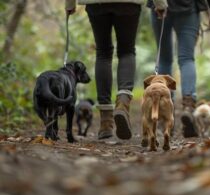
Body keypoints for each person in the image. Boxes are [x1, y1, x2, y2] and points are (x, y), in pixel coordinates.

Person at [65, 0, 168, 140]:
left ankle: (106, 122)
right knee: (127, 51)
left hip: (97, 4)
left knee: (103, 53)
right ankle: (123, 104)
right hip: (128, 4)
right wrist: (160, 3)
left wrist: (70, 4)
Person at [147, 0, 210, 138]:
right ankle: (188, 106)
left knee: (164, 59)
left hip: (160, 6)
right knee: (186, 59)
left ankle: (165, 111)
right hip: (188, 7)